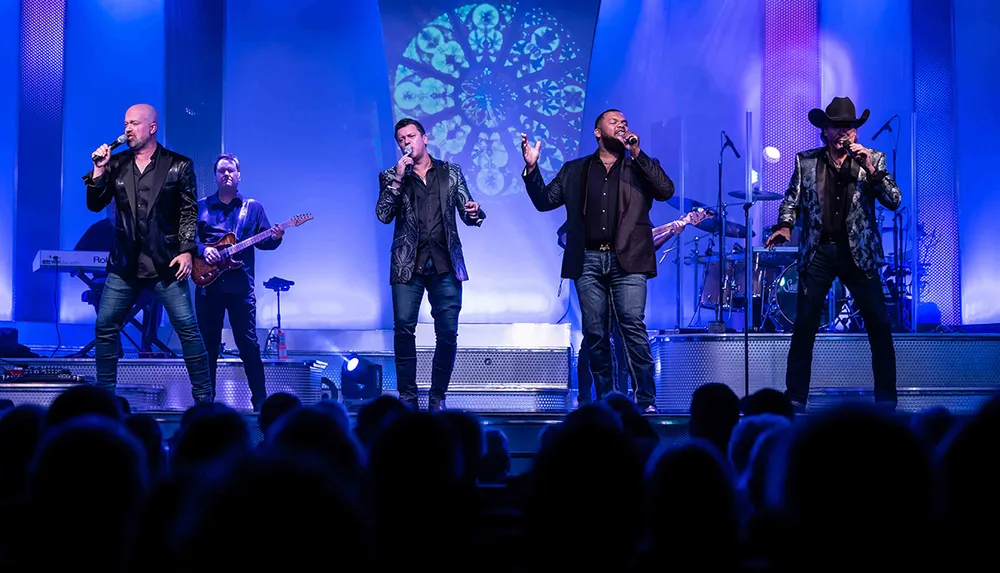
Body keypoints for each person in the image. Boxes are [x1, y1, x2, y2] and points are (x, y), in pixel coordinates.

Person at [521, 109, 675, 414]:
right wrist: (532, 169)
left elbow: (666, 190)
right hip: (588, 260)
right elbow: (543, 202)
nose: (621, 125)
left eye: (625, 122)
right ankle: (607, 401)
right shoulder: (575, 170)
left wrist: (638, 153)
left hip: (628, 260)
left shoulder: (640, 167)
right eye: (614, 121)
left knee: (632, 326)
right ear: (597, 131)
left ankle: (645, 401)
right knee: (595, 334)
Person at [765, 96, 901, 412]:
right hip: (820, 251)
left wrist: (870, 167)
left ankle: (886, 400)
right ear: (825, 130)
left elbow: (894, 200)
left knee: (879, 324)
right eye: (837, 127)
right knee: (805, 325)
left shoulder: (873, 159)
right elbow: (791, 201)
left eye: (849, 128)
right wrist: (785, 225)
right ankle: (796, 398)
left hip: (859, 254)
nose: (844, 134)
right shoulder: (806, 161)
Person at [83, 103, 212, 402]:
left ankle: (205, 400)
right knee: (105, 326)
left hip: (166, 263)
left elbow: (188, 212)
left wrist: (186, 251)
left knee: (188, 329)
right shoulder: (117, 164)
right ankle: (105, 399)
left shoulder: (178, 165)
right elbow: (94, 204)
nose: (128, 129)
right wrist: (99, 169)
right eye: (126, 123)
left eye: (135, 123)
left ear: (152, 128)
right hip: (125, 264)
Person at [376, 118, 486, 412]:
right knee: (403, 330)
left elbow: (468, 208)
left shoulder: (450, 172)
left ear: (425, 138)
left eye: (411, 136)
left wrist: (475, 213)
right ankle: (408, 397)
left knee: (448, 334)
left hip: (445, 263)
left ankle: (437, 395)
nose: (406, 142)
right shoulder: (390, 176)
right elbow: (384, 215)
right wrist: (399, 179)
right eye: (401, 139)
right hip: (406, 265)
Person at [561, 209, 705, 405]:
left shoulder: (636, 212)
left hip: (624, 280)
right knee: (593, 339)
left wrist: (672, 230)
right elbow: (565, 236)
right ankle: (585, 399)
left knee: (625, 341)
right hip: (595, 280)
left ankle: (622, 400)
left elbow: (647, 245)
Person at [195, 153, 284, 412]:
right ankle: (205, 403)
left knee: (248, 344)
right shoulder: (201, 206)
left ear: (239, 175)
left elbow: (266, 242)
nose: (226, 174)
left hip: (241, 288)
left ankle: (260, 403)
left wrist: (276, 236)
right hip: (208, 286)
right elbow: (185, 240)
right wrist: (202, 250)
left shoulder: (252, 208)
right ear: (215, 175)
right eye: (222, 170)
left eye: (231, 170)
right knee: (208, 345)